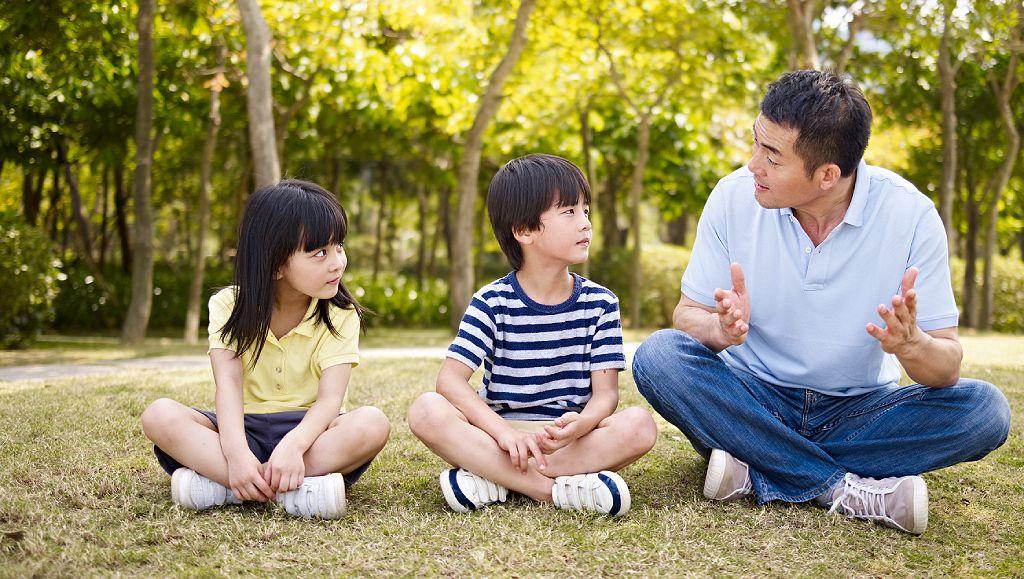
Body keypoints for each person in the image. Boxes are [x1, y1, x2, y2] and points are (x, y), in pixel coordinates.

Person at [632, 70, 1011, 534]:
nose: (753, 165)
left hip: (859, 411)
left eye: (772, 157)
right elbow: (686, 315)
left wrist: (912, 344)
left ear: (828, 175)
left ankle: (758, 468)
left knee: (985, 411)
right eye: (756, 144)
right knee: (658, 357)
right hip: (752, 396)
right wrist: (718, 331)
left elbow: (946, 367)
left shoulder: (910, 215)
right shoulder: (733, 197)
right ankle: (841, 489)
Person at [407, 154, 657, 516]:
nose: (585, 223)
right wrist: (504, 434)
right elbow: (450, 381)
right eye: (569, 212)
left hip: (568, 440)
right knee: (426, 410)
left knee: (640, 426)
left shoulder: (601, 303)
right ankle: (553, 491)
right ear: (524, 231)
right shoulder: (491, 302)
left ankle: (493, 478)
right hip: (500, 434)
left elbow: (606, 397)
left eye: (586, 211)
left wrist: (581, 424)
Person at [141, 179, 390, 519]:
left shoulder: (340, 314)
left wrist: (294, 445)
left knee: (372, 423)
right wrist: (237, 454)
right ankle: (287, 489)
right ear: (275, 265)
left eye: (339, 247)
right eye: (319, 253)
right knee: (159, 415)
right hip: (243, 428)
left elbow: (330, 400)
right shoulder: (228, 305)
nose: (337, 263)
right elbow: (227, 386)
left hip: (310, 437)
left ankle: (229, 488)